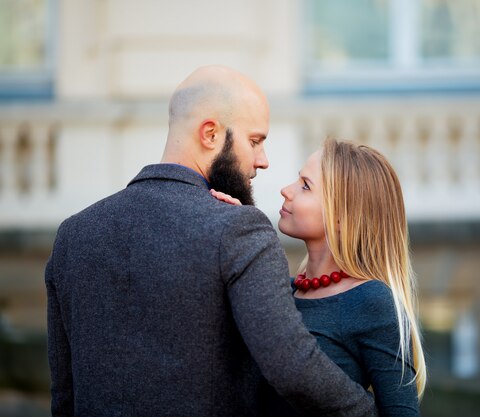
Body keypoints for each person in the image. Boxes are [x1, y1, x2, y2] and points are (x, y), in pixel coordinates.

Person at [44, 66, 377, 417]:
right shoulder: (239, 231)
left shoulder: (73, 235)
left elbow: (64, 397)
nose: (262, 161)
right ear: (210, 134)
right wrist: (367, 411)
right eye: (254, 141)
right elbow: (292, 366)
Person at [215, 139, 428, 416]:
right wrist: (229, 225)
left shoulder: (371, 301)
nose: (286, 191)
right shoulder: (284, 293)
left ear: (341, 216)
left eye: (305, 185)